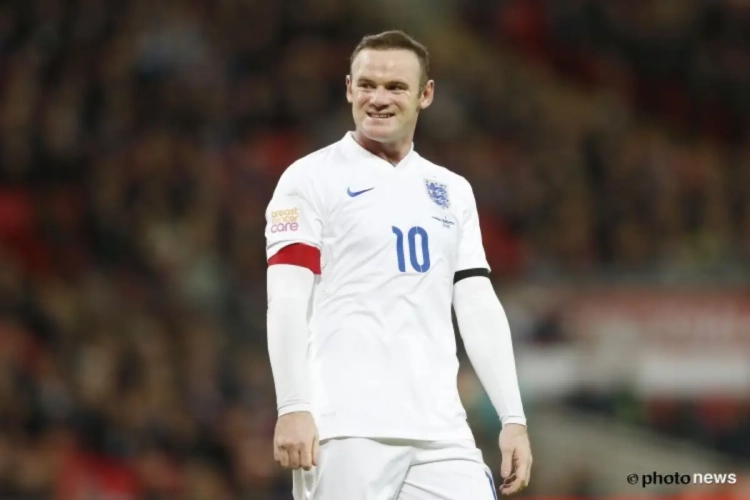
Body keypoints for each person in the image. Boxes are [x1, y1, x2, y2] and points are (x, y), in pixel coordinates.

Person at [264, 30, 532, 499]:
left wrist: (513, 417)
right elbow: (286, 298)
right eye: (367, 85)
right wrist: (292, 406)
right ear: (349, 88)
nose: (379, 98)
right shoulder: (308, 179)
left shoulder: (452, 190)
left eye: (395, 87)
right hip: (346, 425)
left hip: (441, 428)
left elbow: (477, 305)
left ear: (425, 95)